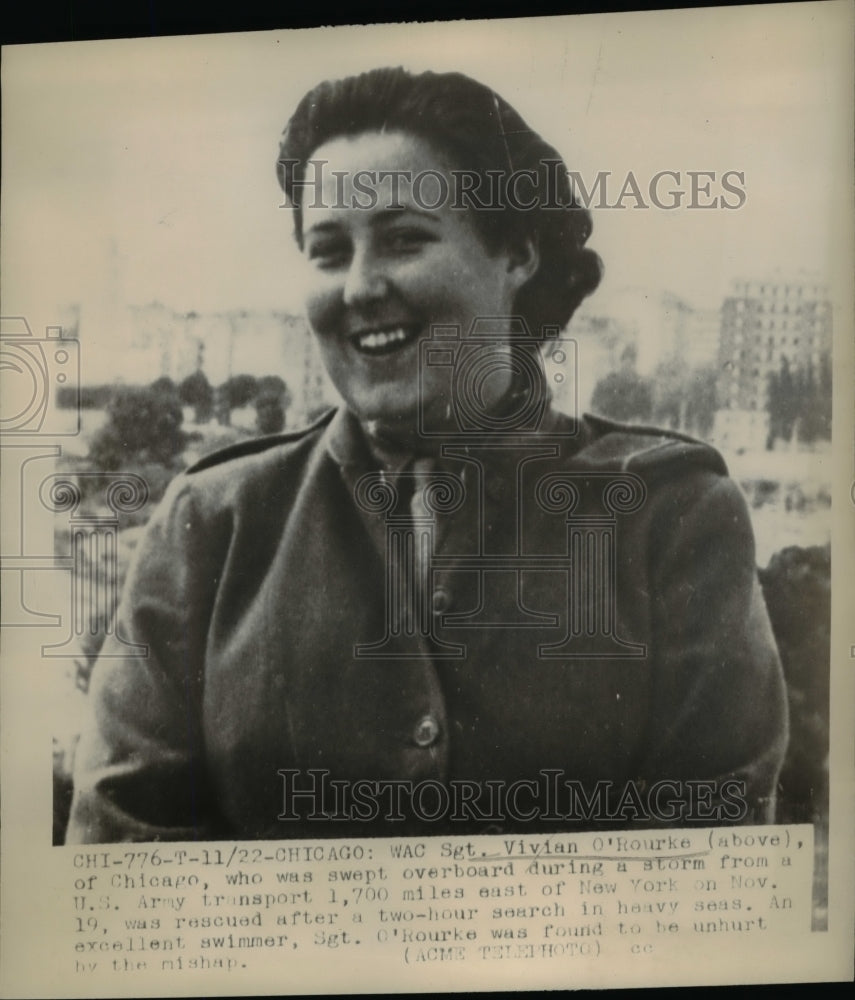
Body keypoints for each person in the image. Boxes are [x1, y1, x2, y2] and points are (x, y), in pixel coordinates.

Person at [66, 67, 788, 843]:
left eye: (405, 239)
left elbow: (705, 866)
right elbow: (119, 865)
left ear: (516, 251)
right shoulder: (212, 522)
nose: (360, 286)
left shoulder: (670, 514)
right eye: (328, 250)